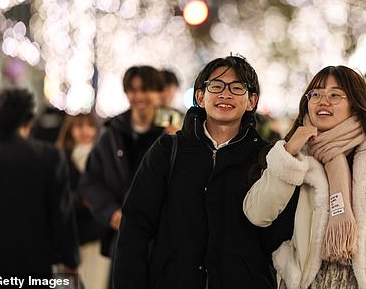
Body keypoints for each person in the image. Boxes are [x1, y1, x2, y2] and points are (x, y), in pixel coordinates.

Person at [244, 65, 366, 289]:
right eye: (316, 94)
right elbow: (257, 214)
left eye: (334, 95)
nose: (323, 101)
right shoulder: (295, 159)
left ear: (355, 103)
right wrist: (288, 153)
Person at [114, 55, 289, 288]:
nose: (225, 94)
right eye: (216, 86)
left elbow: (278, 236)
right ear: (200, 96)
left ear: (251, 101)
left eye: (237, 88)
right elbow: (135, 226)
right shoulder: (168, 150)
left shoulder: (266, 158)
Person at [0, 88, 79, 275]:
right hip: (33, 263)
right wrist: (70, 259)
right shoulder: (50, 157)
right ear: (28, 121)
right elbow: (61, 214)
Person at [79, 65, 166, 260]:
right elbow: (90, 181)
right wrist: (110, 212)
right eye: (133, 90)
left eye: (146, 89)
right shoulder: (111, 134)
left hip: (163, 237)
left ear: (158, 92)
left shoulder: (171, 134)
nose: (139, 97)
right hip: (122, 236)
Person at [56, 113, 111, 289]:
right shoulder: (60, 159)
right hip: (72, 238)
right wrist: (81, 200)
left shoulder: (107, 159)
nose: (85, 131)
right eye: (79, 126)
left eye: (90, 126)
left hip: (100, 238)